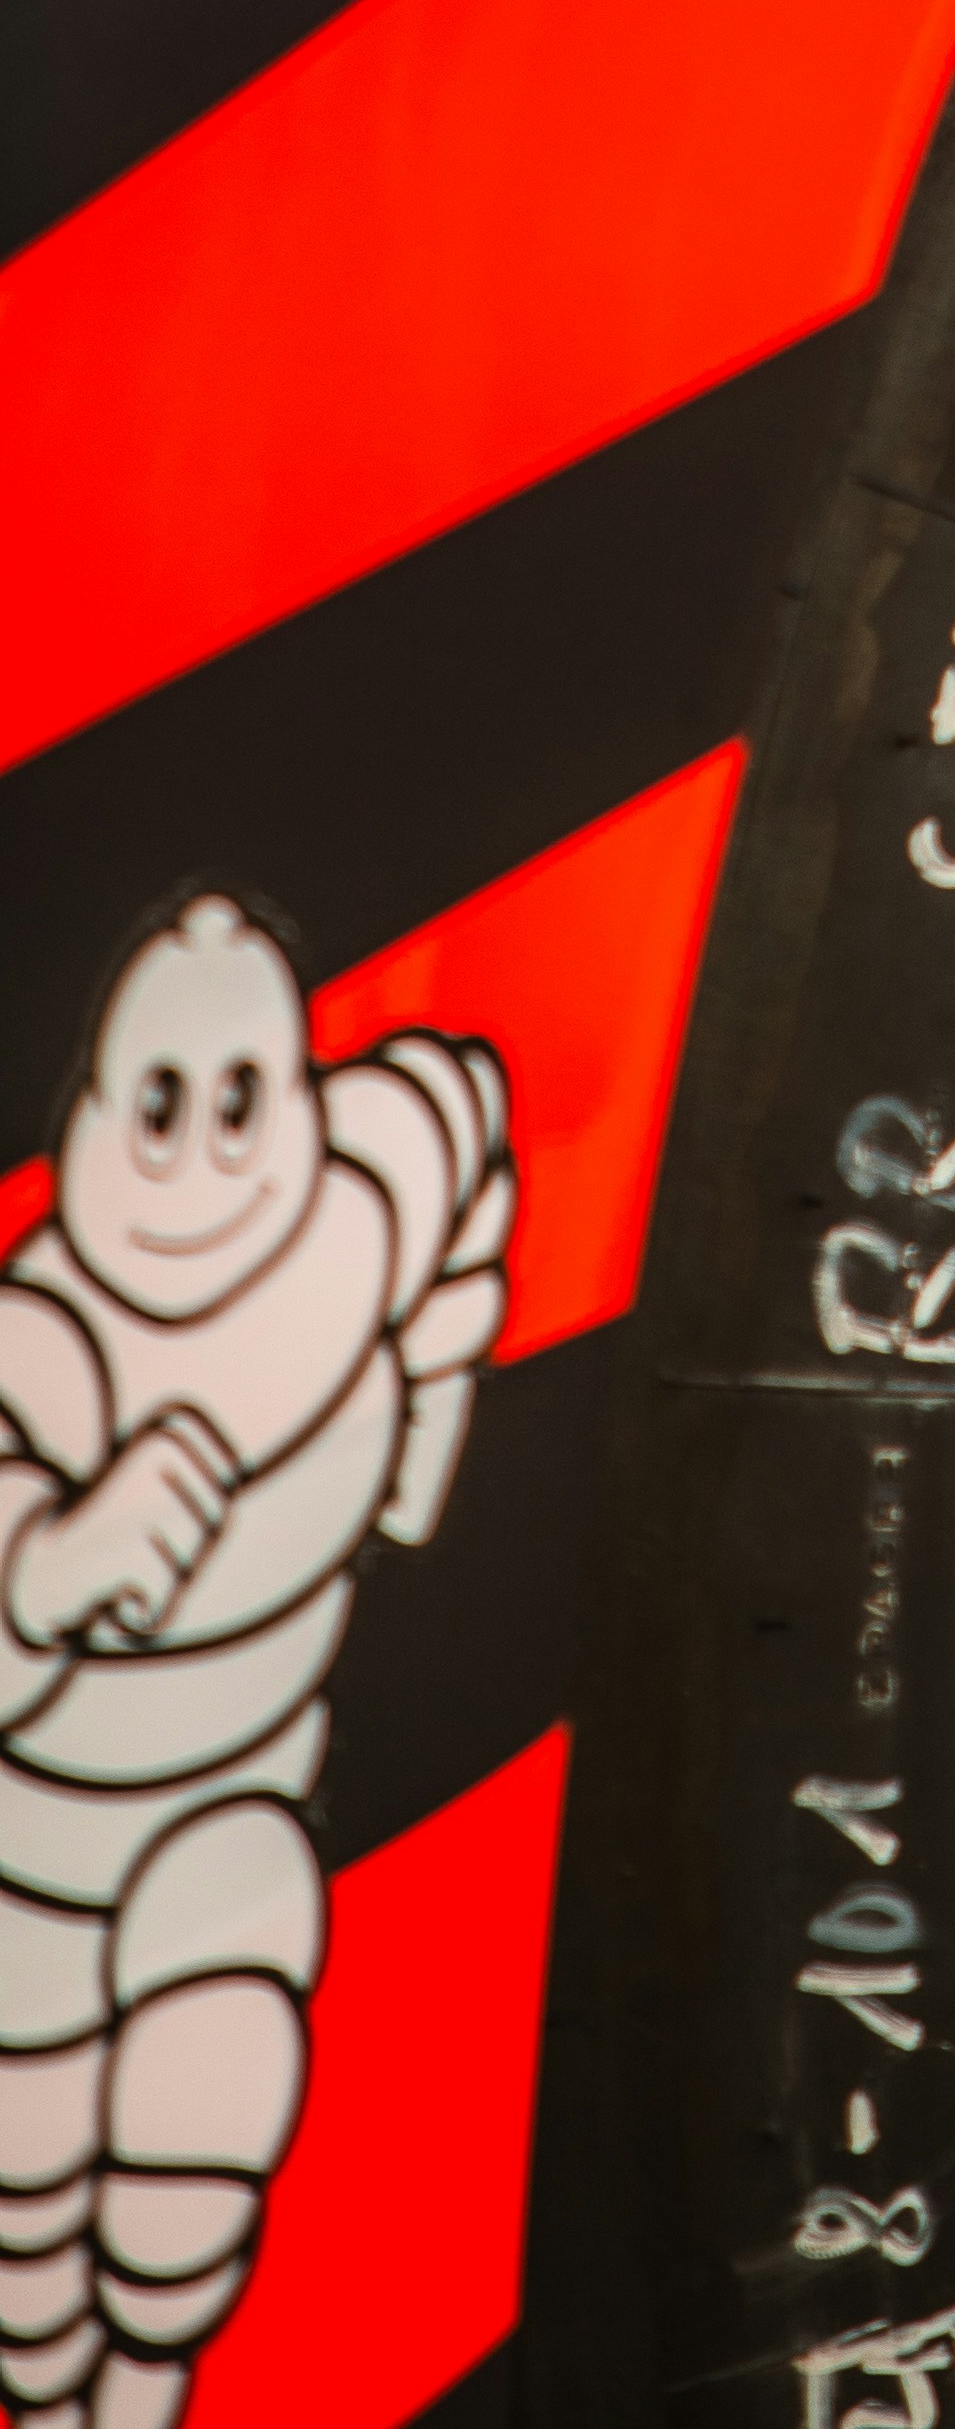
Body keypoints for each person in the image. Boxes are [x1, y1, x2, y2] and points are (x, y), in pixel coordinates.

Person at [0, 900, 511, 2429]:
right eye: (159, 1112)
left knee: (196, 2137)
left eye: (238, 1105)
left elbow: (466, 1145)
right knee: (25, 2244)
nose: (200, 1170)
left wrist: (424, 1415)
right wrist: (58, 1567)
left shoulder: (365, 1216)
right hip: (39, 1859)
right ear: (95, 1117)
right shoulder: (43, 1354)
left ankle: (149, 2381)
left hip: (238, 1806)